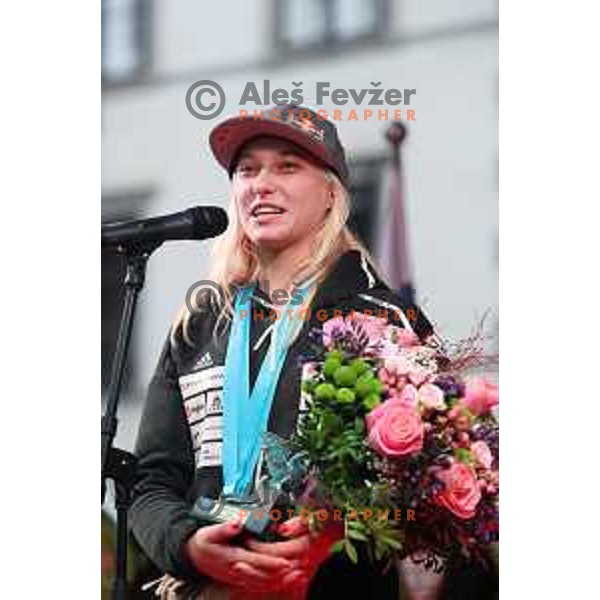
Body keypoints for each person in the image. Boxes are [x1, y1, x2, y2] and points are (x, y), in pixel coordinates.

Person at [130, 105, 436, 600]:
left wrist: (330, 537)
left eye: (288, 166)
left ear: (331, 193)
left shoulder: (383, 320)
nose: (261, 184)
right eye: (247, 170)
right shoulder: (197, 324)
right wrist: (187, 545)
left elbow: (431, 482)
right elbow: (152, 482)